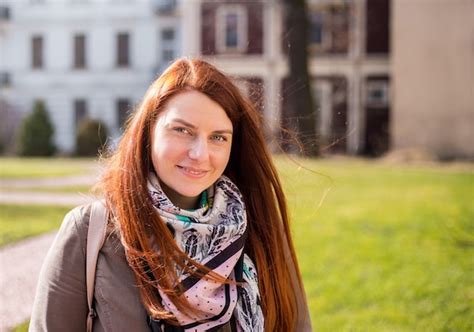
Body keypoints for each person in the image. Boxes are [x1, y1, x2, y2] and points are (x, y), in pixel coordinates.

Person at [30, 58, 312, 331]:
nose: (200, 154)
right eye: (181, 130)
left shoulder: (259, 231)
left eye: (218, 137)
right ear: (149, 131)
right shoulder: (92, 232)